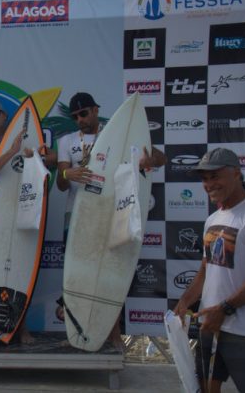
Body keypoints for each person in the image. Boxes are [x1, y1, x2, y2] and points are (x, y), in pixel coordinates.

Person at [55, 92, 166, 348]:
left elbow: (162, 158)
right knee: (79, 274)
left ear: (95, 110)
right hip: (78, 215)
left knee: (110, 272)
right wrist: (66, 173)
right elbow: (61, 184)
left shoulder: (120, 134)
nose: (80, 120)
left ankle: (113, 334)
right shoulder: (67, 141)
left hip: (115, 212)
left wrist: (151, 160)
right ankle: (76, 332)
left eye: (84, 114)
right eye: (75, 117)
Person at [0, 99, 56, 344]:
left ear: (6, 115)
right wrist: (10, 151)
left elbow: (52, 160)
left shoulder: (26, 138)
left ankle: (22, 327)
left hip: (24, 211)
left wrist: (39, 157)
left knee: (21, 266)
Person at [174, 148, 245, 393]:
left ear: (237, 173)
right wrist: (185, 301)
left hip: (244, 332)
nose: (209, 184)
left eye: (215, 176)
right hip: (210, 326)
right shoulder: (213, 219)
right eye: (204, 179)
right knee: (205, 389)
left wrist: (225, 308)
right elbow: (207, 268)